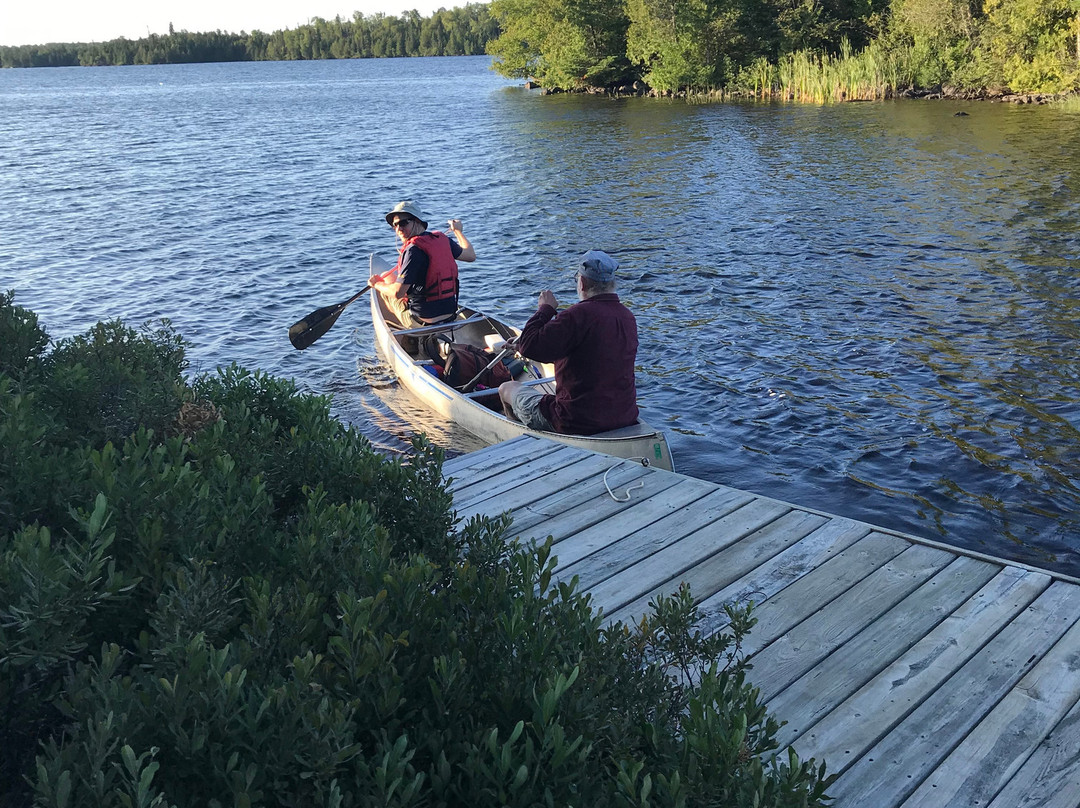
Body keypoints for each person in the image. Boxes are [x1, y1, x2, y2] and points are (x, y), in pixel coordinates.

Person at [499, 250, 639, 436]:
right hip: (624, 416)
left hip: (575, 420)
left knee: (506, 389)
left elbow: (530, 346)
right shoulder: (627, 317)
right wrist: (519, 345)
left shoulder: (576, 315)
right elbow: (586, 354)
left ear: (581, 283)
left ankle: (515, 437)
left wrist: (545, 309)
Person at [369, 200, 476, 326]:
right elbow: (470, 255)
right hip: (450, 313)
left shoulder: (412, 250)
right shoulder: (441, 240)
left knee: (386, 285)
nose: (398, 229)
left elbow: (398, 293)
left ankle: (408, 330)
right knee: (387, 274)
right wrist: (458, 231)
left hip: (423, 319)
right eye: (395, 225)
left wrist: (377, 285)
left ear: (417, 221)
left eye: (403, 223)